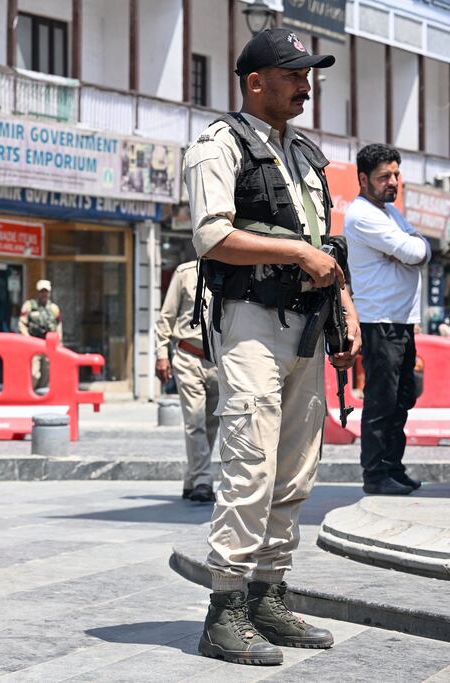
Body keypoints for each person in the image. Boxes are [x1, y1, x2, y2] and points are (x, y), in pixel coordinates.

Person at [183, 28, 361, 666]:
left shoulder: (307, 154)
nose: (305, 85)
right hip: (251, 322)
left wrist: (345, 311)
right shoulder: (217, 146)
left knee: (294, 467)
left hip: (307, 324)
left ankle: (268, 592)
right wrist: (297, 253)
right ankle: (224, 607)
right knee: (248, 461)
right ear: (256, 81)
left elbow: (325, 246)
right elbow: (213, 238)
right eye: (293, 74)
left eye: (307, 74)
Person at [343, 144, 430, 495]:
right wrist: (408, 249)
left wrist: (409, 248)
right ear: (363, 179)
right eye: (384, 177)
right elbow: (414, 251)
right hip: (379, 322)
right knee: (382, 400)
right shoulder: (363, 214)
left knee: (402, 398)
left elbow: (420, 248)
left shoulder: (389, 212)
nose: (393, 182)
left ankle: (393, 466)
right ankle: (376, 474)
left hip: (401, 321)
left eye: (396, 174)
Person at [154, 261, 219, 503]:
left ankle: (192, 479)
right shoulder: (185, 273)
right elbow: (166, 317)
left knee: (210, 424)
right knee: (194, 420)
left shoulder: (234, 271)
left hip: (219, 361)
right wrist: (162, 354)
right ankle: (203, 478)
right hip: (188, 356)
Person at [18, 280, 62, 388]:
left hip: (48, 344)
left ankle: (43, 393)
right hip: (34, 343)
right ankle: (32, 391)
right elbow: (21, 324)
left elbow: (59, 326)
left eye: (46, 292)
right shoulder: (29, 305)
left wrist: (59, 342)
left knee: (47, 370)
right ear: (38, 292)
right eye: (42, 291)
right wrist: (27, 338)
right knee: (34, 372)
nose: (44, 294)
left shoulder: (54, 308)